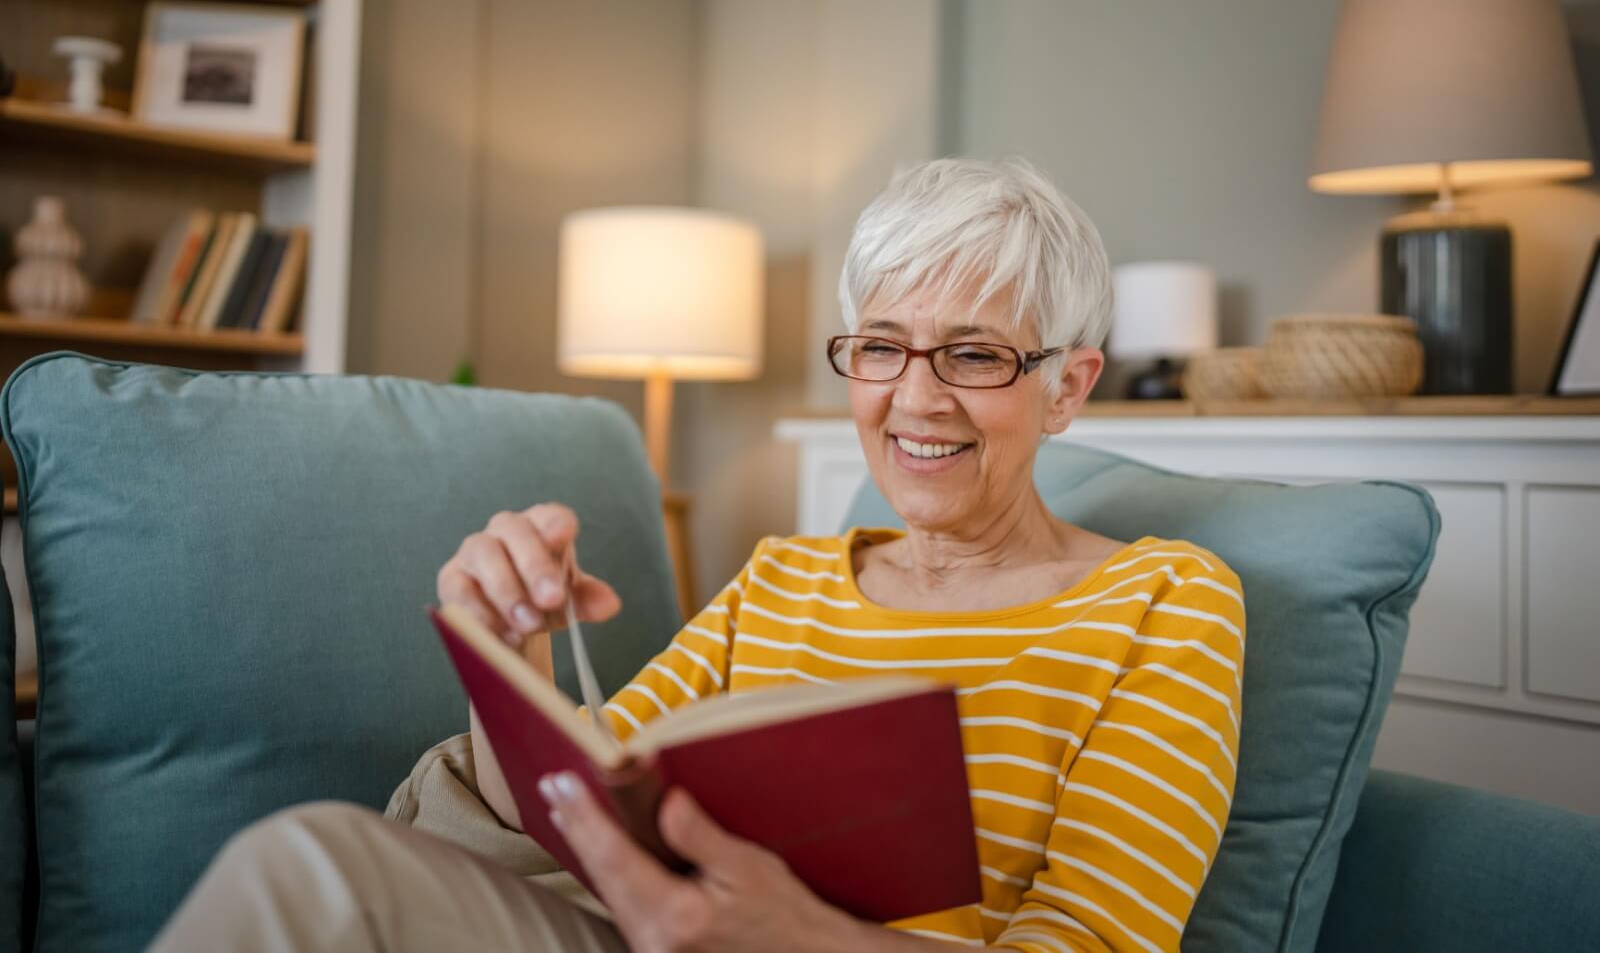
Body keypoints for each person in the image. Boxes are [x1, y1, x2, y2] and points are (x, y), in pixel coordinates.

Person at [153, 158, 1244, 953]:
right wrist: (507, 653)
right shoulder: (781, 580)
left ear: (1067, 385)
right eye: (880, 347)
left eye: (973, 354)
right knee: (315, 859)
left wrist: (797, 936)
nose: (916, 397)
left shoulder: (1164, 604)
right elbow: (572, 810)